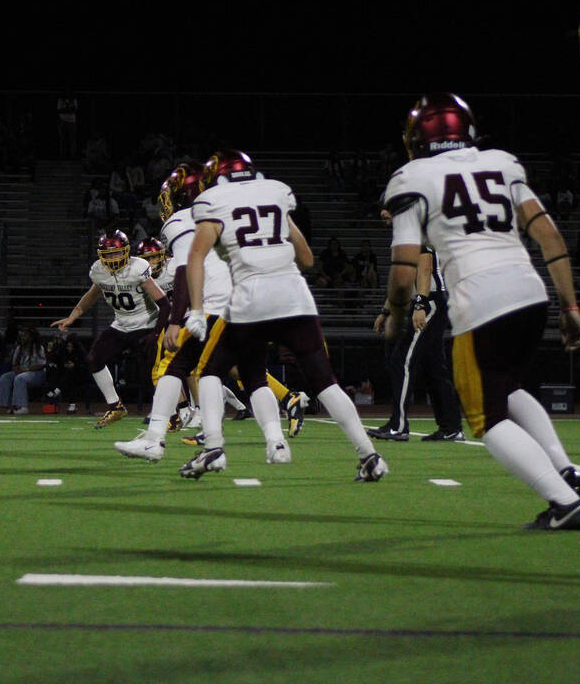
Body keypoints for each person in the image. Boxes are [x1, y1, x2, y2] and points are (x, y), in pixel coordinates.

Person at [383, 93, 580, 529]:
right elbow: (551, 239)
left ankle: (564, 502)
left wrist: (396, 311)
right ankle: (565, 468)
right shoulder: (501, 163)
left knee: (486, 416)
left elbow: (404, 267)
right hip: (530, 293)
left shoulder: (413, 177)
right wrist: (570, 305)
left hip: (481, 301)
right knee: (508, 386)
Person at [180, 150, 388, 482]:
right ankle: (369, 455)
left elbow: (195, 256)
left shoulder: (212, 200)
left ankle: (213, 448)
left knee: (209, 372)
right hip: (294, 295)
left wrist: (195, 309)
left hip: (251, 298)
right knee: (324, 381)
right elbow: (305, 258)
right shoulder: (275, 191)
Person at [115, 161, 306, 463]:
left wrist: (176, 320)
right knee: (252, 376)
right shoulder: (232, 212)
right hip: (251, 305)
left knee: (174, 368)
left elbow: (182, 274)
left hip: (215, 307)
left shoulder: (183, 220)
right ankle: (276, 443)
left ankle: (157, 439)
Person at [50, 230, 167, 428]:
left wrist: (157, 332)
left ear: (126, 252)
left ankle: (173, 412)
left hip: (146, 324)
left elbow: (164, 303)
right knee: (94, 358)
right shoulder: (99, 270)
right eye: (109, 254)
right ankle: (115, 406)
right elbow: (93, 294)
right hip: (121, 324)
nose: (113, 258)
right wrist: (74, 314)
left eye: (117, 253)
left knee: (150, 373)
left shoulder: (137, 268)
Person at [370, 242, 463, 441]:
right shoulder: (406, 234)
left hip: (429, 302)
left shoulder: (415, 231)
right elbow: (401, 281)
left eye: (387, 209)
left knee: (401, 361)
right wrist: (386, 311)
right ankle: (451, 427)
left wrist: (420, 304)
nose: (383, 214)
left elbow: (425, 267)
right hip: (429, 302)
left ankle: (398, 425)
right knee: (435, 368)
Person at [0, 327, 47, 415]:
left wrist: (26, 370)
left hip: (36, 373)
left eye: (25, 335)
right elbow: (14, 364)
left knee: (20, 378)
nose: (22, 337)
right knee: (5, 377)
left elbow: (41, 364)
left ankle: (22, 406)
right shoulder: (19, 348)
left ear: (31, 337)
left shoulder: (39, 348)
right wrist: (16, 369)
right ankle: (9, 405)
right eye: (22, 335)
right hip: (22, 371)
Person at [44, 334, 89, 414]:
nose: (69, 348)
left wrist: (75, 365)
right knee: (68, 377)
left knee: (71, 374)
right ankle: (71, 405)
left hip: (79, 375)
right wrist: (63, 365)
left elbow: (85, 365)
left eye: (71, 347)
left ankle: (57, 390)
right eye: (68, 346)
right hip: (64, 376)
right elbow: (54, 360)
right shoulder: (63, 351)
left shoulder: (81, 352)